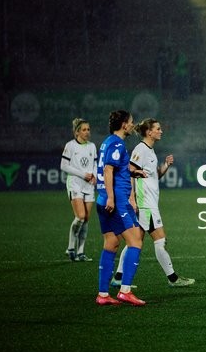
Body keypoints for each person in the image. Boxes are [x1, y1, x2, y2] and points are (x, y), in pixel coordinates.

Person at [111, 119, 195, 289]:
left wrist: (165, 166)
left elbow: (152, 176)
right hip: (145, 204)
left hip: (148, 203)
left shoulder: (149, 150)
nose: (161, 131)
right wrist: (132, 198)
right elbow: (130, 172)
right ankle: (172, 278)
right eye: (158, 129)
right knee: (160, 240)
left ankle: (118, 277)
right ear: (149, 132)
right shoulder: (141, 149)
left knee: (135, 241)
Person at [95, 110, 146, 306]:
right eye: (131, 122)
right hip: (116, 201)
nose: (133, 125)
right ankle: (125, 291)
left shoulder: (107, 142)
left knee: (111, 244)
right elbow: (108, 169)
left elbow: (114, 169)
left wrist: (133, 174)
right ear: (124, 124)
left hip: (103, 199)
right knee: (135, 242)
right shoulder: (117, 143)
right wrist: (111, 197)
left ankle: (103, 294)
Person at [60, 118, 97, 262]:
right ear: (77, 132)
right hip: (75, 183)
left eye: (88, 129)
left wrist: (93, 175)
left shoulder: (92, 146)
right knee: (80, 216)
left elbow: (94, 164)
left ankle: (81, 252)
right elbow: (64, 166)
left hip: (88, 185)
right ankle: (70, 247)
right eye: (84, 130)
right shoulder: (70, 146)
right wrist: (83, 174)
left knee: (86, 219)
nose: (87, 132)